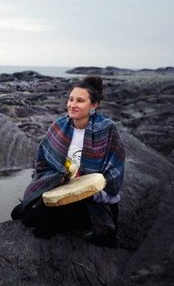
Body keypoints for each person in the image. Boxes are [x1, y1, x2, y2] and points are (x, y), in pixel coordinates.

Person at [11, 76, 125, 247]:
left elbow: (115, 167)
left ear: (93, 105)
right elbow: (43, 161)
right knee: (21, 215)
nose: (73, 104)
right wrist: (55, 179)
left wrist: (92, 186)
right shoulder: (59, 126)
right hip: (61, 186)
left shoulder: (107, 129)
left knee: (39, 227)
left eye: (80, 100)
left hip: (90, 197)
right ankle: (51, 215)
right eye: (71, 99)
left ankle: (72, 222)